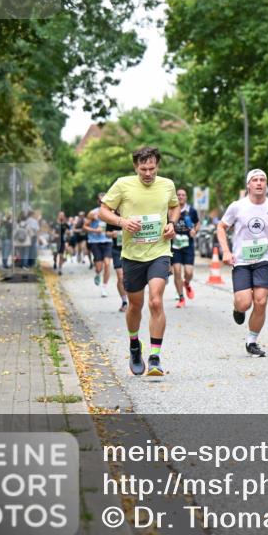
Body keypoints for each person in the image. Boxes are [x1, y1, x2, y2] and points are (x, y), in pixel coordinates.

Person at [99, 146, 179, 376]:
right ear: (135, 167)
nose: (148, 173)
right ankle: (135, 345)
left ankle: (155, 358)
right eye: (143, 169)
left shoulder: (167, 185)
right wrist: (122, 222)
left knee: (155, 301)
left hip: (159, 251)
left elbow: (174, 206)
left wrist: (172, 224)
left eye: (152, 168)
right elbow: (103, 211)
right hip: (132, 255)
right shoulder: (122, 184)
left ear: (157, 166)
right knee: (135, 305)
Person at [217, 169, 268, 357]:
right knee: (244, 303)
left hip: (263, 259)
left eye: (263, 180)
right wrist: (226, 251)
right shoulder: (237, 206)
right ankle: (238, 308)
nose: (259, 183)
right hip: (242, 261)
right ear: (248, 184)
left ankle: (252, 341)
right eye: (255, 180)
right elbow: (221, 227)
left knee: (261, 301)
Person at [171, 188, 201, 308]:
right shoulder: (171, 210)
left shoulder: (191, 211)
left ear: (186, 197)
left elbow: (198, 223)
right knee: (177, 271)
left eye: (183, 195)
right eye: (178, 195)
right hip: (175, 245)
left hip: (188, 244)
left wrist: (195, 230)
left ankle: (187, 283)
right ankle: (181, 297)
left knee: (188, 272)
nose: (180, 197)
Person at [85, 207, 111, 296]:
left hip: (108, 241)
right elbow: (84, 227)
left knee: (107, 264)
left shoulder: (111, 212)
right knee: (99, 268)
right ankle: (97, 273)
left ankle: (104, 288)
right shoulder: (92, 213)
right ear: (98, 202)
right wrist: (95, 230)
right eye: (101, 201)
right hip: (95, 242)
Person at [107, 208, 129, 312]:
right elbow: (107, 233)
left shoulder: (130, 214)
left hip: (130, 250)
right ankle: (124, 301)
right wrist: (112, 234)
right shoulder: (112, 217)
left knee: (129, 277)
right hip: (117, 250)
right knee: (120, 277)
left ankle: (133, 301)